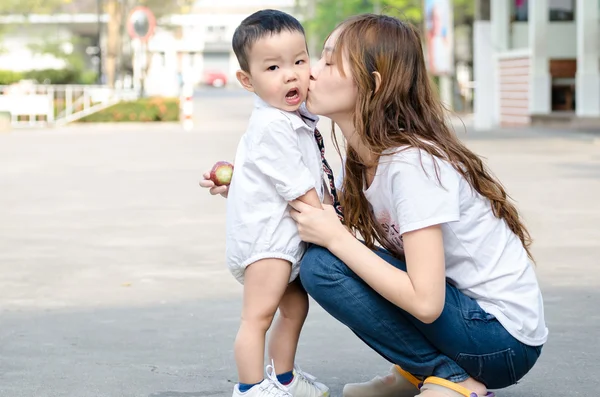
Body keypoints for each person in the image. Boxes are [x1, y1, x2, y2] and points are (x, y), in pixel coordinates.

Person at [202, 13, 548, 397]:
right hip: (468, 318)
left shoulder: (412, 164)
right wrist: (251, 188)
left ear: (373, 84)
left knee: (324, 265)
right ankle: (425, 371)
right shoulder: (365, 158)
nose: (308, 72)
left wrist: (336, 238)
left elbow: (427, 302)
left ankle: (449, 378)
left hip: (501, 340)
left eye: (327, 62)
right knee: (326, 258)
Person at [207, 9, 335, 397]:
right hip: (266, 242)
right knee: (257, 317)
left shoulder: (294, 116)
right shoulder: (270, 125)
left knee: (295, 309)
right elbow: (298, 187)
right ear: (247, 81)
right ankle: (250, 387)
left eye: (299, 60)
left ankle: (284, 378)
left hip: (286, 239)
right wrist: (330, 221)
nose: (291, 74)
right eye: (274, 67)